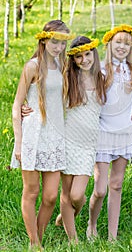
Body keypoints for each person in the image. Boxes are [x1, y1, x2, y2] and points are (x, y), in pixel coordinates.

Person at [10, 20, 72, 250]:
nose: (58, 47)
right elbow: (17, 105)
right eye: (54, 42)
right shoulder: (33, 66)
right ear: (44, 40)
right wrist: (19, 143)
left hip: (55, 137)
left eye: (62, 43)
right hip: (34, 134)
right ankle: (34, 242)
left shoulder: (64, 67)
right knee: (32, 191)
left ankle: (39, 232)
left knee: (50, 197)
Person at [86, 24, 132, 241]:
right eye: (118, 42)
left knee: (116, 184)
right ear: (109, 44)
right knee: (100, 189)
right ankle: (92, 224)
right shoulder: (101, 71)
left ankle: (112, 236)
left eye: (127, 43)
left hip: (126, 133)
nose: (122, 46)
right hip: (103, 132)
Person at [55, 36, 106, 243]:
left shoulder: (102, 78)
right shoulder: (67, 79)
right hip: (68, 140)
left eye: (87, 54)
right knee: (66, 194)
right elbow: (48, 99)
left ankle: (68, 215)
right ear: (73, 60)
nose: (85, 60)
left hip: (88, 144)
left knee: (77, 196)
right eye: (79, 57)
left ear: (94, 53)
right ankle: (73, 240)